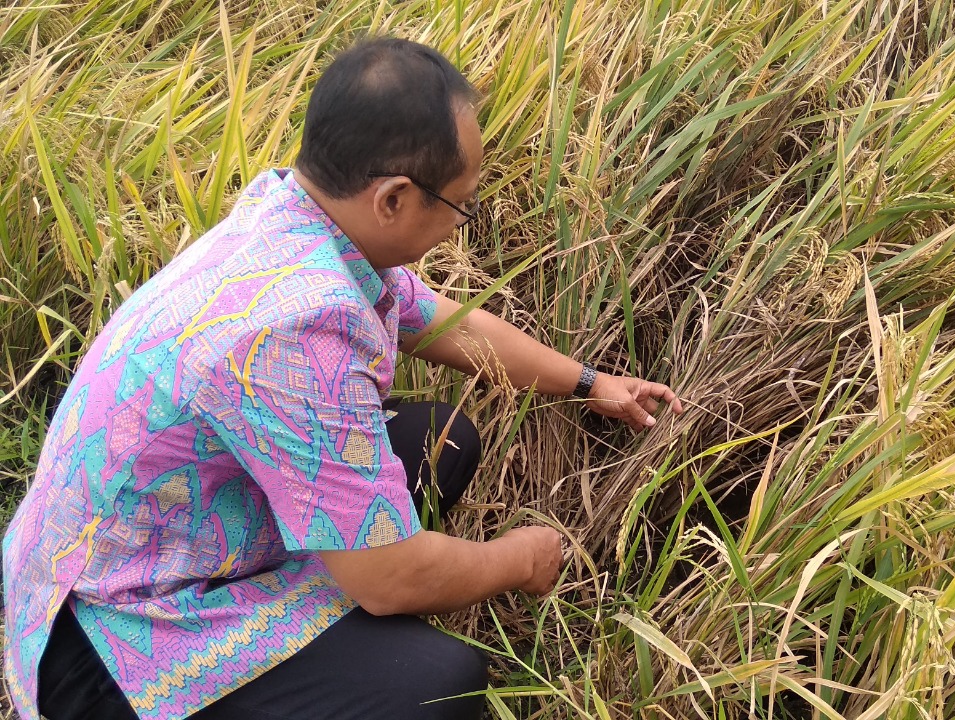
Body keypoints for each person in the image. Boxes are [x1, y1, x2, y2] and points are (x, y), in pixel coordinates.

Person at [3, 37, 683, 720]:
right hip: (104, 633)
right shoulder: (296, 332)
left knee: (441, 440)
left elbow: (445, 323)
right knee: (437, 682)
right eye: (461, 205)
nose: (459, 225)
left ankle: (334, 645)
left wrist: (590, 382)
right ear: (393, 198)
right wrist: (520, 558)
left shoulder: (292, 217)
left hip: (175, 533)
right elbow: (389, 579)